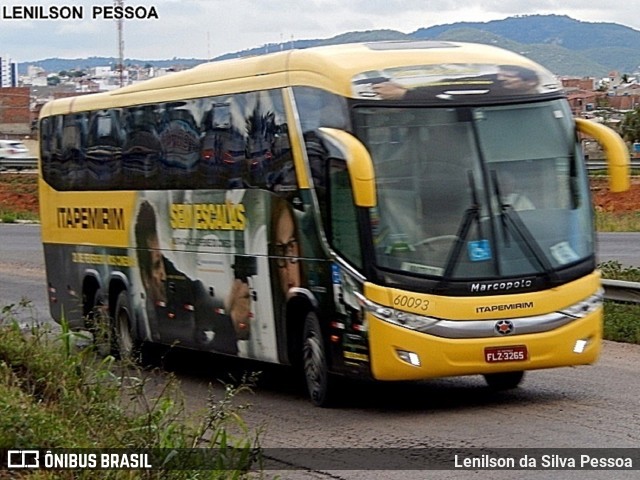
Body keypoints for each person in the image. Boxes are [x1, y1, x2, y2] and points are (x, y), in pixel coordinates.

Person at [134, 200, 251, 355]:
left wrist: (226, 304)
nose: (163, 275)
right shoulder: (140, 315)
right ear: (144, 276)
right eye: (156, 266)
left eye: (161, 262)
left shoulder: (181, 283)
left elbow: (199, 293)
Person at [373, 65, 540, 100]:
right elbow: (453, 85)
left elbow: (459, 102)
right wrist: (411, 89)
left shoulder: (539, 103)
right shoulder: (494, 82)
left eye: (509, 77)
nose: (501, 79)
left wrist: (405, 95)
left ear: (531, 82)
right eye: (500, 74)